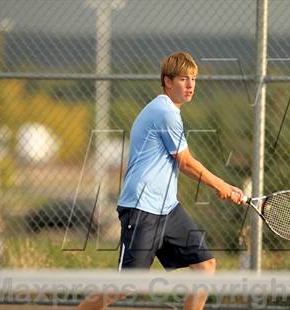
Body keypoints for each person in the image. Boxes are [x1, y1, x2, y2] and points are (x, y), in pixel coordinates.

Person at [77, 51, 244, 310]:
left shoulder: (167, 111)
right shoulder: (164, 112)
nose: (190, 85)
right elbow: (186, 162)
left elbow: (183, 162)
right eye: (183, 79)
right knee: (124, 288)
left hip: (167, 208)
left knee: (205, 265)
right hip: (142, 209)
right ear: (167, 82)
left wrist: (222, 185)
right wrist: (221, 185)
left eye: (194, 79)